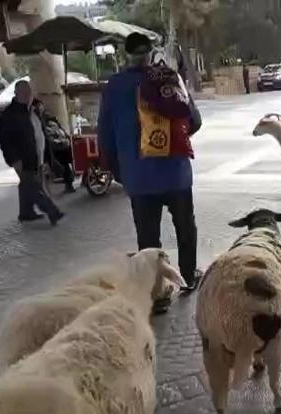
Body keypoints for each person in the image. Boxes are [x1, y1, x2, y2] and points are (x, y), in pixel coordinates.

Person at [98, 32, 203, 308]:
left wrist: (120, 171)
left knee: (148, 239)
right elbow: (194, 121)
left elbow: (105, 139)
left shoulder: (114, 86)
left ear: (126, 55)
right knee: (185, 228)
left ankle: (158, 295)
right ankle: (189, 277)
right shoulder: (168, 77)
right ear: (150, 54)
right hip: (176, 173)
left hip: (139, 177)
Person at [0, 80, 65, 225]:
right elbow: (5, 141)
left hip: (35, 156)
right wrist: (14, 160)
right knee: (33, 187)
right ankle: (52, 211)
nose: (28, 96)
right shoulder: (10, 115)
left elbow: (38, 133)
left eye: (29, 93)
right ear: (17, 94)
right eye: (25, 93)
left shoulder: (30, 111)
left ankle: (25, 212)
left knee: (27, 185)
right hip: (22, 158)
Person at [33, 99, 76, 193]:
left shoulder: (48, 117)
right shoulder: (35, 120)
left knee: (66, 158)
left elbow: (60, 129)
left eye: (41, 105)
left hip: (56, 146)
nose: (40, 108)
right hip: (47, 148)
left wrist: (65, 139)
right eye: (38, 106)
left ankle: (68, 180)